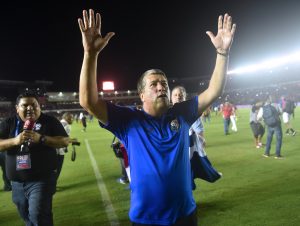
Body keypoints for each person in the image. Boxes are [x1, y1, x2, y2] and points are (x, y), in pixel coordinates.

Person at [78, 9, 236, 225]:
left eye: (164, 83)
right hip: (146, 220)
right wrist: (90, 54)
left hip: (185, 217)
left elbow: (213, 91)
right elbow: (88, 101)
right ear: (142, 94)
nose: (162, 87)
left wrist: (222, 53)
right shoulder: (127, 121)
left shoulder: (182, 113)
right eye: (154, 84)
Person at [0, 91, 70, 226]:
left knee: (38, 215)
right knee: (26, 217)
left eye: (34, 105)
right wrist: (14, 141)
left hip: (42, 180)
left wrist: (41, 138)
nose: (30, 108)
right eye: (25, 105)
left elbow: (64, 141)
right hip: (17, 183)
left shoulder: (49, 121)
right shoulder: (9, 122)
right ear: (17, 108)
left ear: (40, 106)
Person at [171, 86, 221, 190]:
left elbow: (201, 137)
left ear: (185, 97)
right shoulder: (167, 114)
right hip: (173, 156)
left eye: (181, 95)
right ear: (171, 98)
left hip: (187, 156)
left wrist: (195, 140)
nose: (178, 97)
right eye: (175, 95)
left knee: (185, 182)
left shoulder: (192, 114)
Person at [56, 112, 78, 182]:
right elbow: (63, 139)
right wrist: (73, 140)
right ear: (67, 118)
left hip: (52, 150)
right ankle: (52, 185)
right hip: (58, 151)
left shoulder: (58, 123)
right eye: (71, 118)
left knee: (52, 169)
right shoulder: (67, 126)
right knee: (57, 169)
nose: (73, 119)